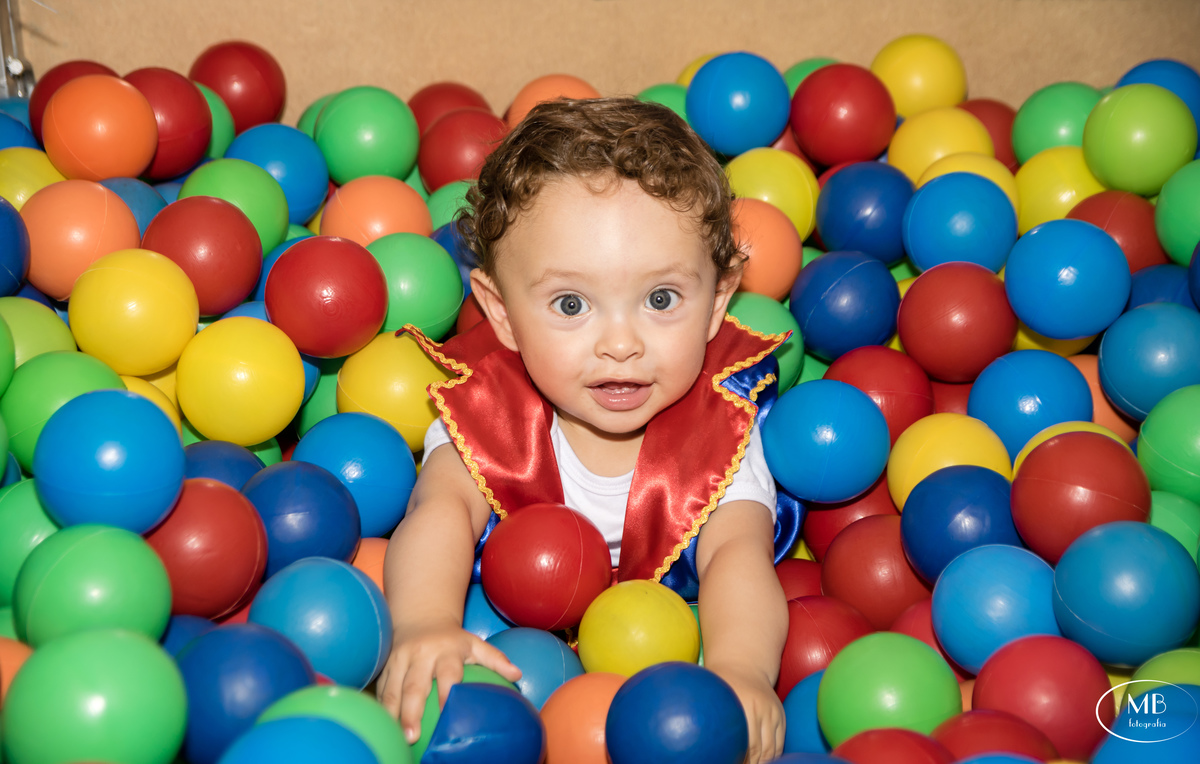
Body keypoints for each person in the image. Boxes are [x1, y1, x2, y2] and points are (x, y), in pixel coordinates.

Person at [377, 96, 797, 763]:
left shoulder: (720, 427)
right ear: (502, 313)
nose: (621, 344)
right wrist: (424, 625)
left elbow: (735, 559)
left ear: (719, 300)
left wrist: (741, 671)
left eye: (662, 299)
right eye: (571, 305)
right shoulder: (486, 410)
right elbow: (437, 515)